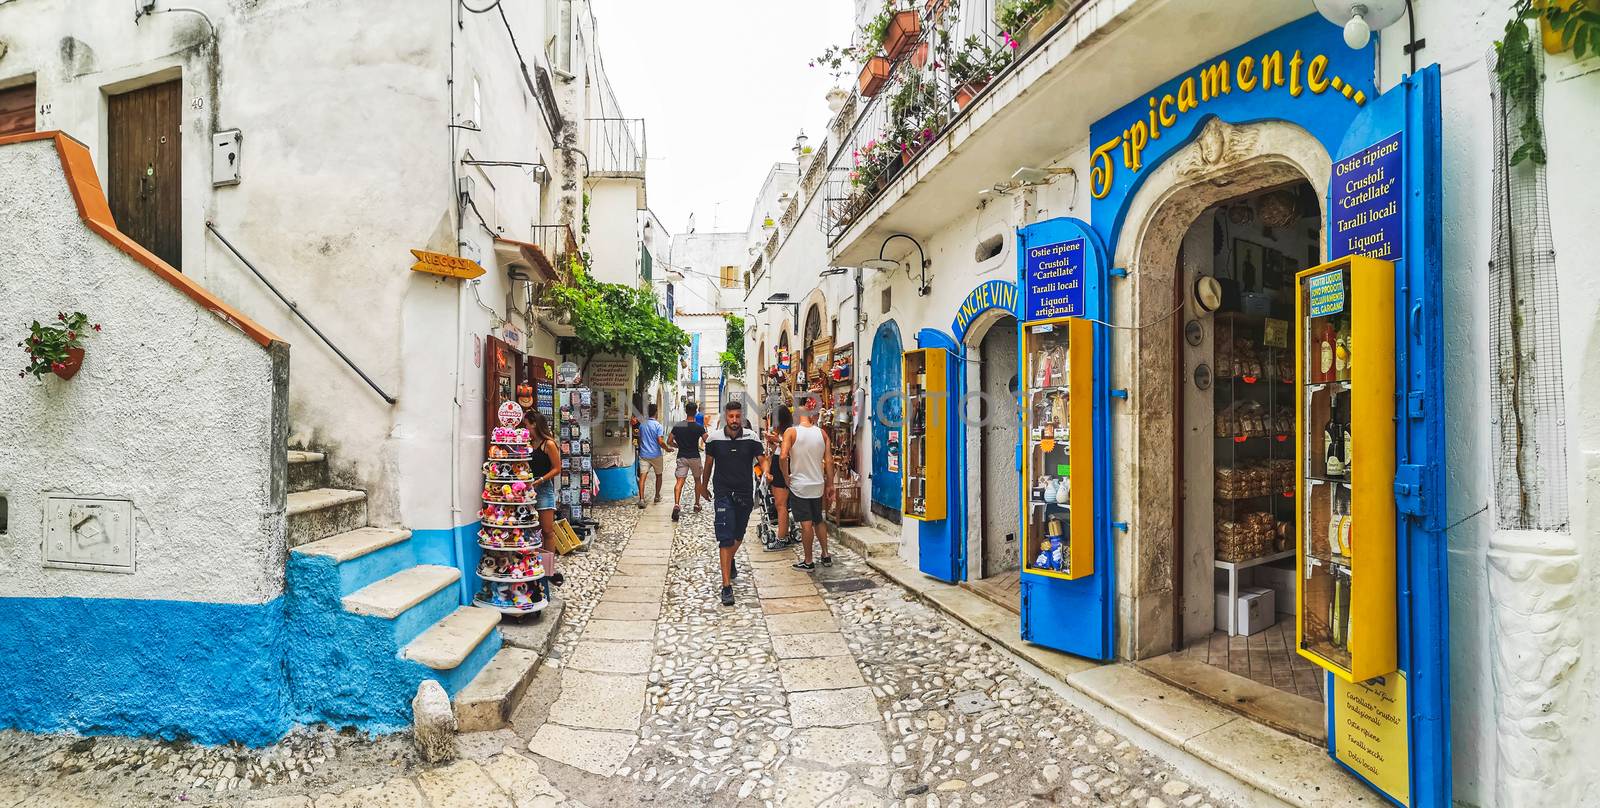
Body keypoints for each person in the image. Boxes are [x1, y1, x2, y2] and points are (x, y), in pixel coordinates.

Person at [699, 399, 766, 606]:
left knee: (738, 535)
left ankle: (730, 559)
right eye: (731, 417)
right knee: (726, 538)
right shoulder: (714, 439)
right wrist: (703, 486)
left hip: (745, 492)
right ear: (725, 417)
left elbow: (761, 459)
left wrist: (768, 472)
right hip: (723, 492)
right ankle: (726, 586)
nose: (735, 420)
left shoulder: (752, 437)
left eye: (738, 416)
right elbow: (709, 464)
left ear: (742, 417)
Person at [782, 396, 833, 570]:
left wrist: (786, 476)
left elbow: (782, 456)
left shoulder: (791, 432)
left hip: (800, 485)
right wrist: (831, 485)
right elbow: (829, 461)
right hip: (817, 484)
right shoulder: (822, 433)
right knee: (818, 520)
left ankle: (809, 560)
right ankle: (825, 554)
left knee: (806, 523)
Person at [523, 411, 563, 546]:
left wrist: (540, 480)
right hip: (527, 489)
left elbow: (557, 468)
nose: (525, 428)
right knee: (533, 530)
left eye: (526, 424)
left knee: (547, 530)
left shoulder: (549, 444)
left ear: (534, 424)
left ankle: (549, 565)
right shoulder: (528, 444)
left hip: (543, 488)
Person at [667, 401, 708, 521]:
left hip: (682, 456)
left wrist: (677, 446)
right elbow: (707, 440)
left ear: (686, 411)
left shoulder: (678, 426)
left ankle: (676, 504)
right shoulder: (699, 427)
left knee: (679, 481)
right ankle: (696, 504)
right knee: (697, 480)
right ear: (695, 412)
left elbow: (669, 441)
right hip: (694, 456)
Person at [765, 405, 794, 548]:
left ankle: (781, 538)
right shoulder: (783, 433)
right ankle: (785, 535)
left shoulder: (789, 433)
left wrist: (777, 441)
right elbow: (778, 451)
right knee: (779, 504)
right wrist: (772, 444)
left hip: (783, 467)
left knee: (781, 505)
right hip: (777, 465)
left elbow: (789, 449)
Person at [636, 403, 667, 508]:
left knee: (642, 476)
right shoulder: (658, 426)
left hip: (644, 454)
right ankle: (657, 496)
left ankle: (641, 499)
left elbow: (639, 440)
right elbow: (660, 441)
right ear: (656, 413)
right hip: (656, 455)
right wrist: (667, 448)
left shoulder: (642, 425)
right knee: (659, 475)